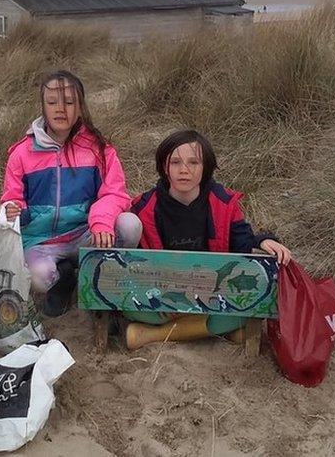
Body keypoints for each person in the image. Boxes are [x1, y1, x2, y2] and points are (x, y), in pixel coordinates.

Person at [124, 130, 292, 349]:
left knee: (253, 306)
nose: (184, 170)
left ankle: (152, 335)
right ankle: (216, 331)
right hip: (164, 301)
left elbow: (242, 246)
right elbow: (135, 266)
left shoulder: (223, 203)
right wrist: (161, 295)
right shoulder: (144, 208)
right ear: (164, 167)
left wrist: (261, 241)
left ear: (206, 168)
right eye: (175, 162)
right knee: (128, 306)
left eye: (193, 162)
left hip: (212, 298)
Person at [1, 70, 142, 316]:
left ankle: (101, 281)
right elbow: (12, 197)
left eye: (69, 102)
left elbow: (115, 194)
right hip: (41, 241)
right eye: (52, 102)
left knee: (130, 225)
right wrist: (14, 210)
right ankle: (64, 276)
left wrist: (100, 222)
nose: (60, 109)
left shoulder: (99, 149)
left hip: (84, 234)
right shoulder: (21, 153)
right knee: (40, 279)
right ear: (43, 107)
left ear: (80, 107)